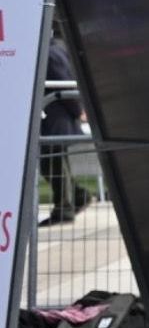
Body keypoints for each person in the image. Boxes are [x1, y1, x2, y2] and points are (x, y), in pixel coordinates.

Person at [38, 30, 90, 227]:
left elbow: (63, 86)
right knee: (54, 165)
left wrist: (78, 111)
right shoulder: (56, 50)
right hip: (57, 119)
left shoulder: (51, 53)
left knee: (53, 165)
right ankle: (78, 197)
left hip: (56, 120)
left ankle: (65, 208)